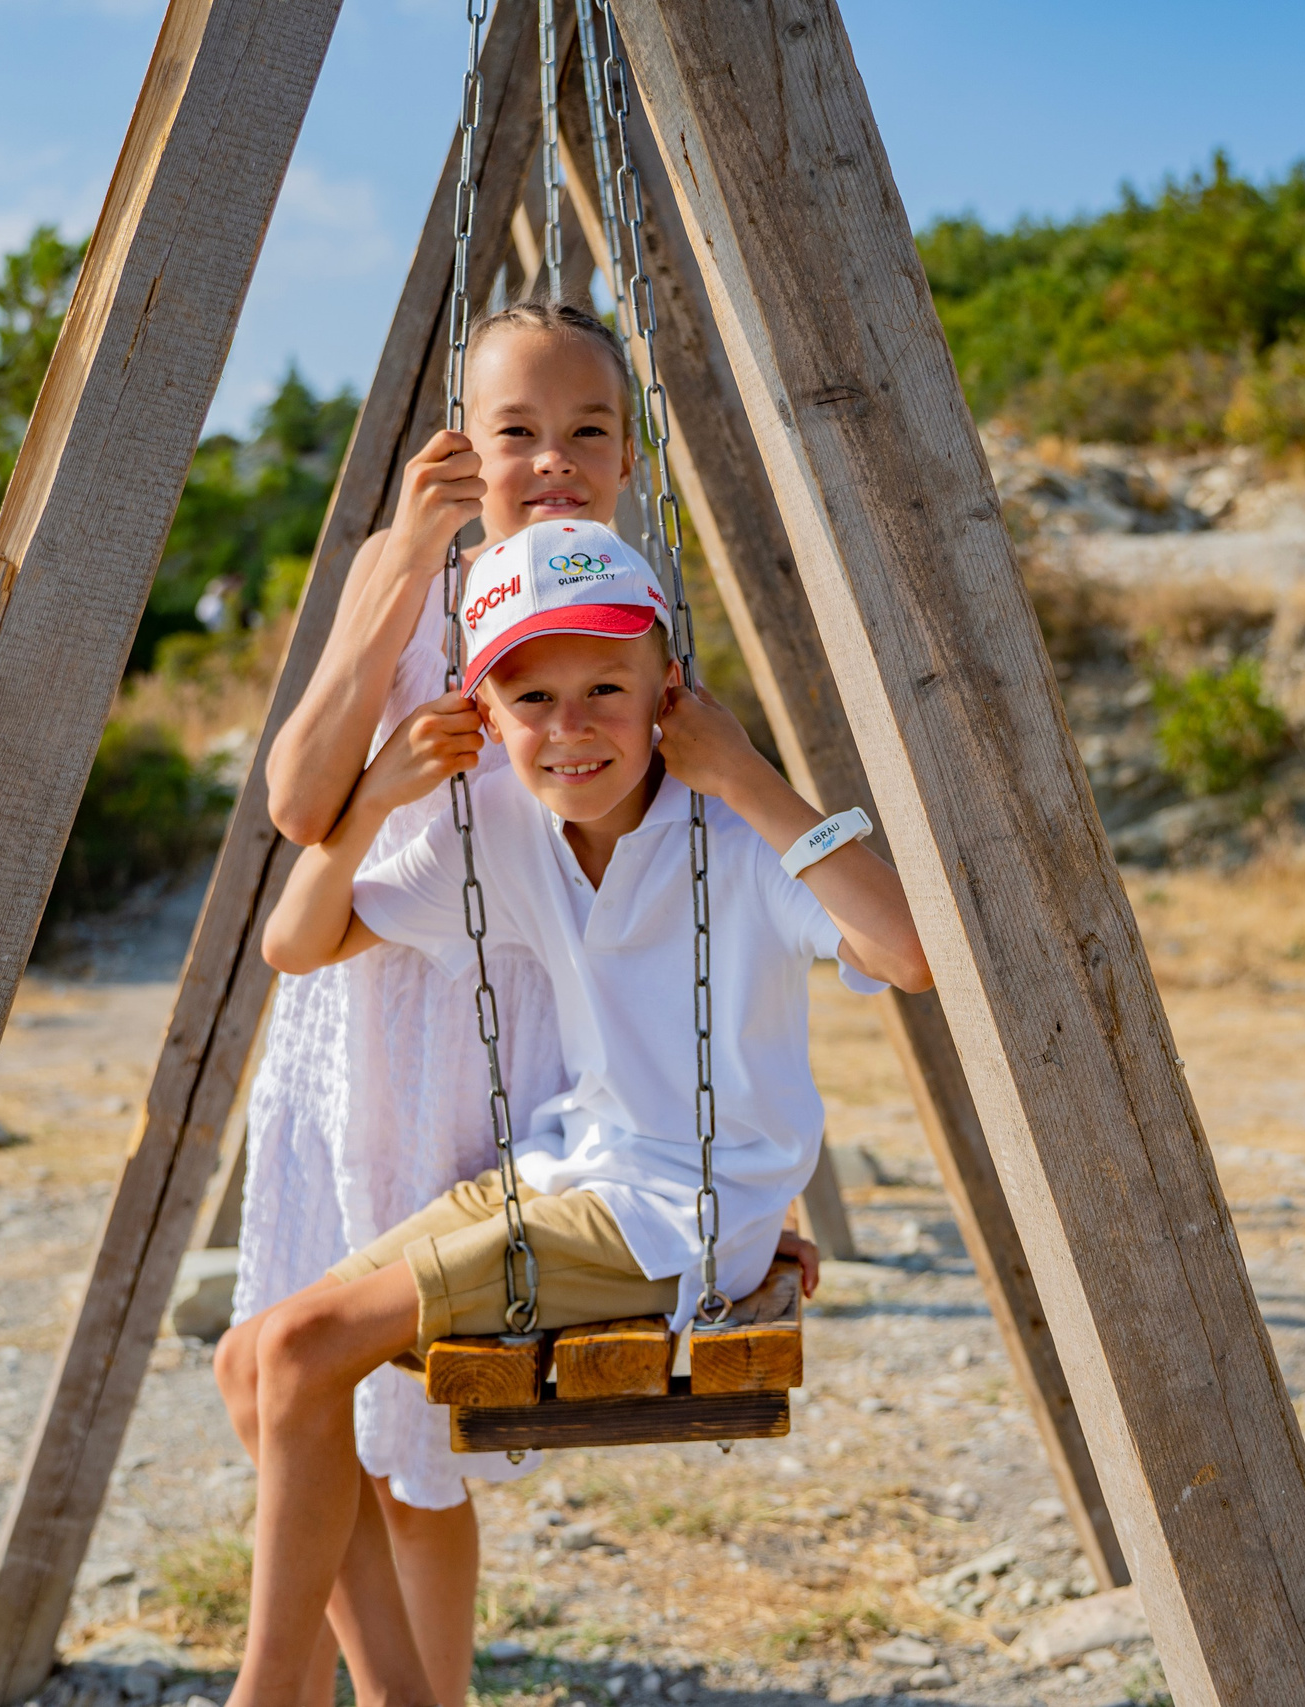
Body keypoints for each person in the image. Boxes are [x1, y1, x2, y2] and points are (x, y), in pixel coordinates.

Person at [226, 513, 933, 1700]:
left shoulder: (739, 834)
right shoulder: (504, 827)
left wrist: (747, 773)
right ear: (487, 717)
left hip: (672, 1219)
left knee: (299, 1349)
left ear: (669, 683)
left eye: (606, 683)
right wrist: (376, 798)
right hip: (567, 1175)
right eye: (533, 699)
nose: (572, 729)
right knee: (252, 1360)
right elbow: (295, 942)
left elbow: (908, 950)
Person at [218, 301, 642, 1707]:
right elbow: (295, 797)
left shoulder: (621, 600)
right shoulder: (405, 576)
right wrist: (402, 555)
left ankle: (419, 1693)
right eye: (517, 429)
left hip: (496, 1046)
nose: (553, 458)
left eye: (588, 429)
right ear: (463, 444)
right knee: (298, 1389)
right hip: (358, 1019)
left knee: (422, 1441)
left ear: (629, 458)